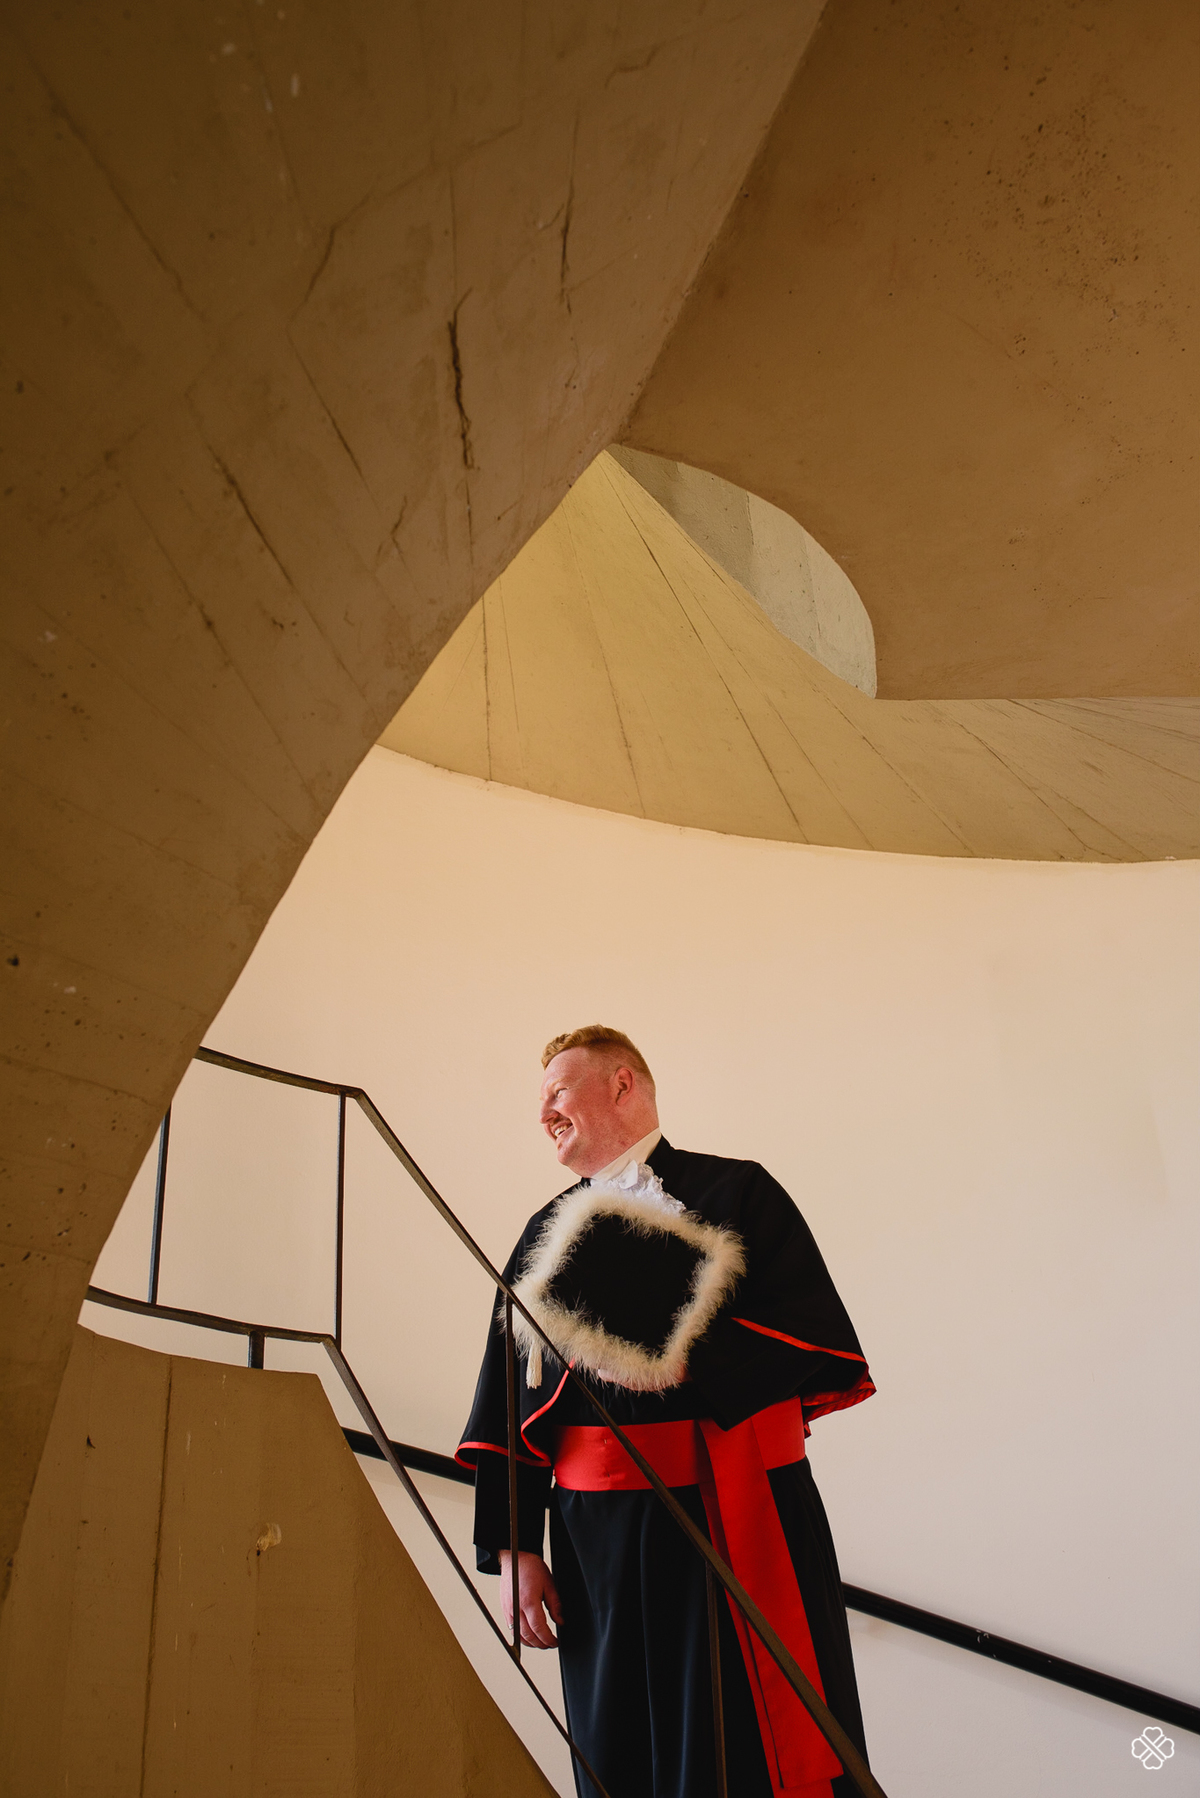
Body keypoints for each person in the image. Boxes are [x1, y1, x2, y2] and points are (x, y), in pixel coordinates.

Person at [457, 1026, 874, 1798]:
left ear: (623, 1085)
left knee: (748, 1747)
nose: (543, 1113)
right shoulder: (540, 1236)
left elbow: (819, 1343)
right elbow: (503, 1402)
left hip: (740, 1508)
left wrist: (674, 1330)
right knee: (620, 1749)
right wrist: (515, 1549)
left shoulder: (740, 1192)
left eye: (557, 1092)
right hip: (596, 1543)